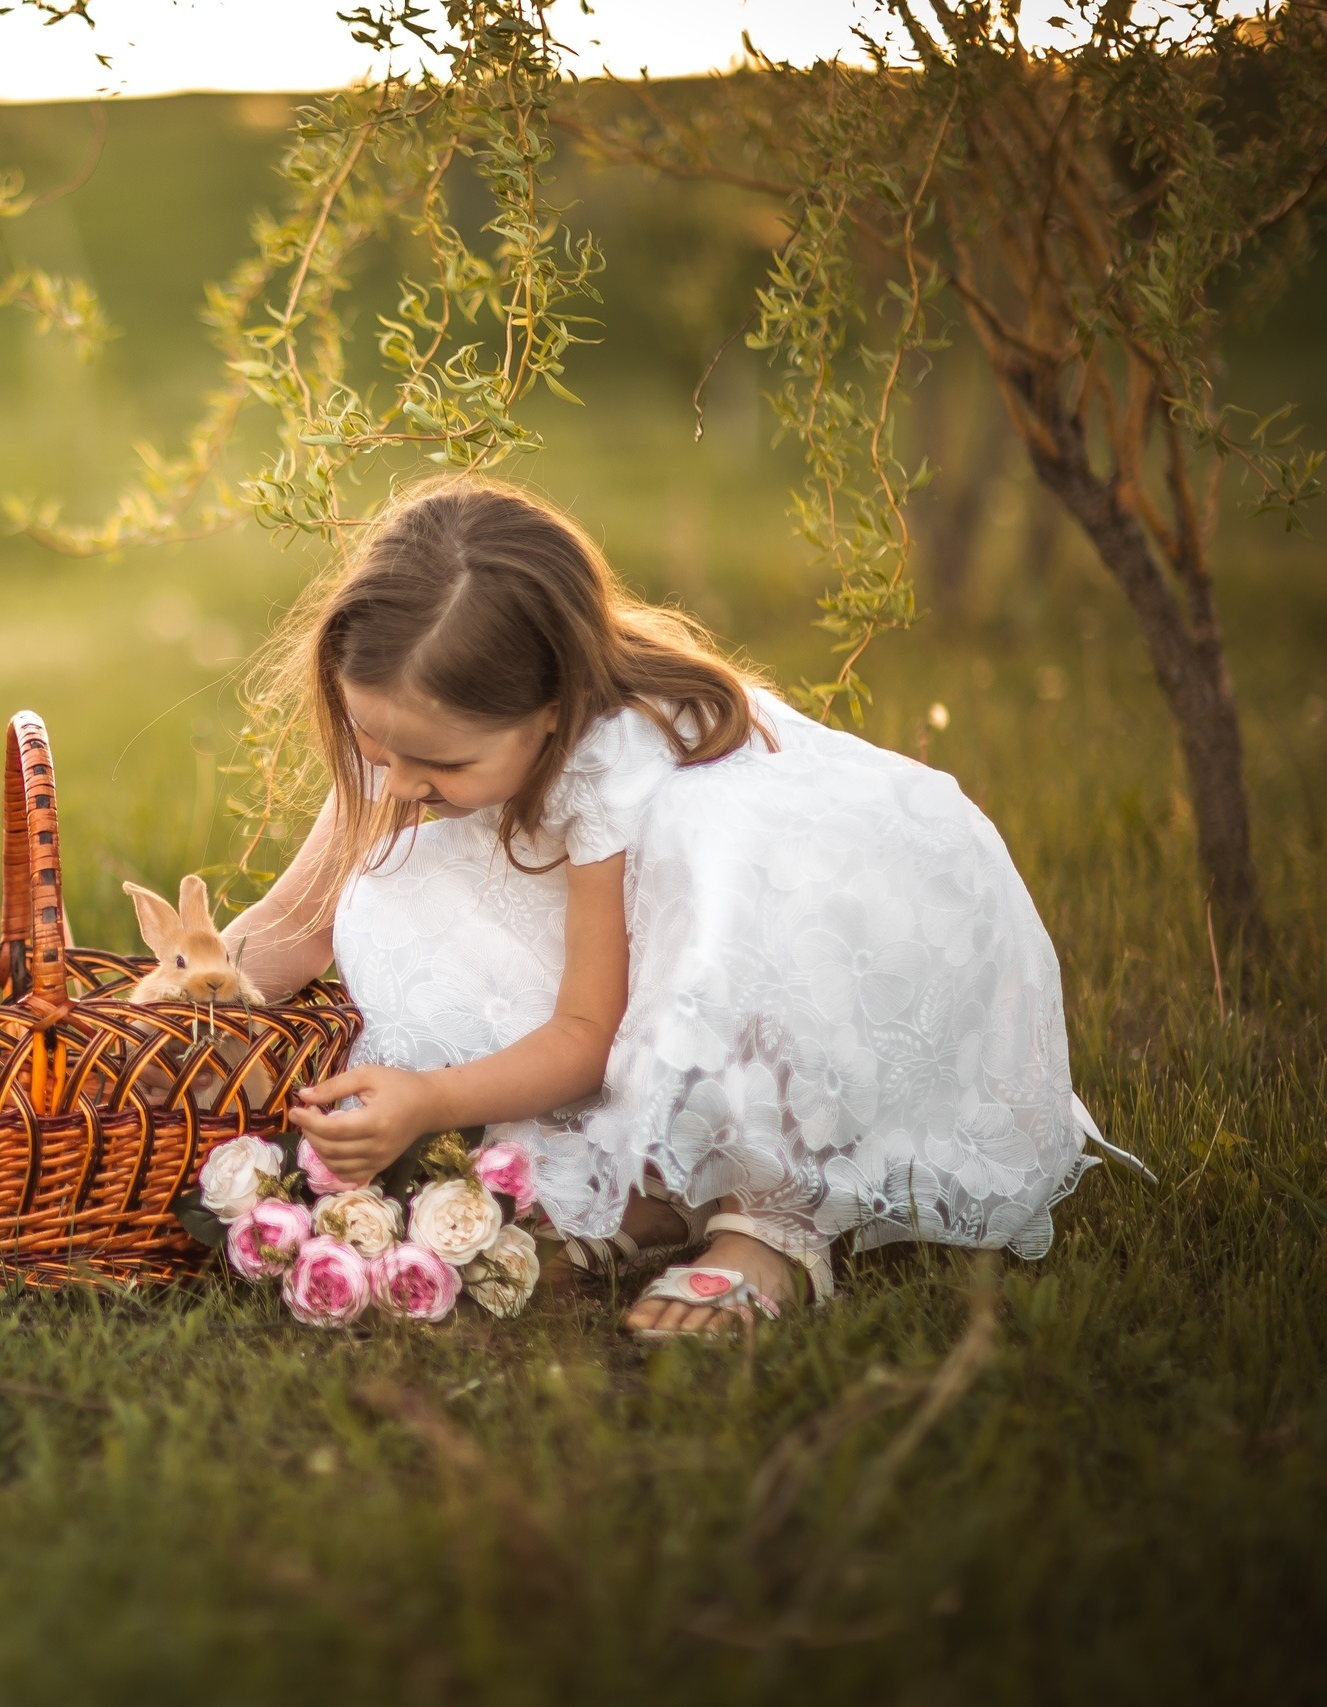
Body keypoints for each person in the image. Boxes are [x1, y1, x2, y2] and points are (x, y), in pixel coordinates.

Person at [227, 480, 1121, 1338]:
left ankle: (766, 1221)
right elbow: (294, 929)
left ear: (550, 711)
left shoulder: (608, 762)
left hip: (813, 920)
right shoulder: (408, 735)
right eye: (375, 743)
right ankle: (653, 1187)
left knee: (724, 915)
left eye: (441, 764)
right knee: (426, 874)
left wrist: (431, 1097)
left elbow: (587, 1031)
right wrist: (185, 990)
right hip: (639, 924)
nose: (401, 781)